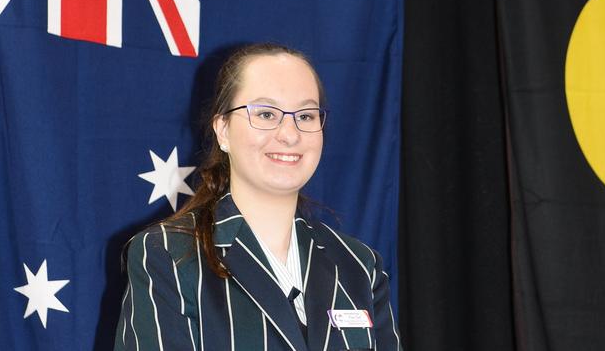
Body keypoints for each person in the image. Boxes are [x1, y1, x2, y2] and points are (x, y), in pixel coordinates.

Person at [114, 43, 402, 351]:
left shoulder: (359, 265)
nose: (290, 134)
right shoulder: (168, 254)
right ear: (222, 130)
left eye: (305, 116)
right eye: (266, 114)